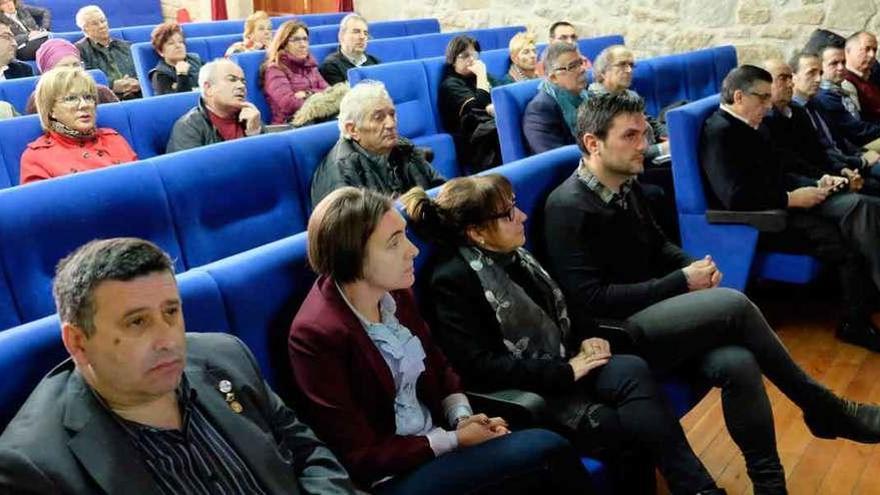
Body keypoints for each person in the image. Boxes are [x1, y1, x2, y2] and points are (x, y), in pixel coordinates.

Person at [545, 91, 880, 494]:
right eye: (630, 136)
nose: (644, 145)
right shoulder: (567, 207)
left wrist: (693, 264)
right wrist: (681, 281)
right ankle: (825, 408)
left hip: (656, 310)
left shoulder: (625, 185)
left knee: (738, 363)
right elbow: (589, 300)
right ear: (592, 143)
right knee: (734, 304)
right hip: (615, 332)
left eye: (644, 133)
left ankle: (770, 485)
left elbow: (658, 245)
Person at [402, 175, 725, 495]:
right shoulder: (451, 280)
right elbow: (479, 366)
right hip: (532, 391)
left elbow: (567, 302)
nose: (522, 216)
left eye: (515, 206)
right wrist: (567, 370)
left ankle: (697, 488)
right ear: (476, 233)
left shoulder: (518, 255)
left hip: (567, 361)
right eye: (508, 214)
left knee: (632, 368)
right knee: (619, 427)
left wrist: (587, 336)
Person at [289, 186, 595, 494]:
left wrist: (462, 419)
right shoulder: (316, 334)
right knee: (548, 449)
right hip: (392, 475)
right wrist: (454, 440)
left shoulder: (395, 291)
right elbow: (359, 455)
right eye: (394, 243)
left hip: (439, 440)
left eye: (405, 235)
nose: (413, 250)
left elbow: (437, 364)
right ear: (353, 257)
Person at [0, 237, 357, 494]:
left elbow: (307, 452)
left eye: (171, 312)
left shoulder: (224, 356)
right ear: (78, 342)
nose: (168, 339)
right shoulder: (33, 465)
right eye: (137, 322)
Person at [701, 64, 880, 351]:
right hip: (760, 222)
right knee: (850, 228)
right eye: (762, 97)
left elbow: (781, 170)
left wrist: (817, 180)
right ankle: (855, 323)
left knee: (863, 210)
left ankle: (860, 312)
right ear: (738, 97)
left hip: (782, 206)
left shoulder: (754, 125)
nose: (768, 103)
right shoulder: (720, 132)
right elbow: (734, 196)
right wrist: (789, 198)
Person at [310, 80, 444, 207]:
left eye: (392, 114)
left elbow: (442, 192)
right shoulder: (342, 173)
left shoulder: (404, 147)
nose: (391, 124)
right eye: (379, 118)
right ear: (353, 129)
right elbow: (357, 229)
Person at [763, 58, 878, 196]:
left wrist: (842, 169)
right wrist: (855, 165)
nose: (818, 79)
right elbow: (790, 165)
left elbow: (819, 151)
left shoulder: (804, 108)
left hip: (833, 170)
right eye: (783, 78)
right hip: (803, 189)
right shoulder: (765, 120)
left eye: (820, 73)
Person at [20, 67, 137, 184]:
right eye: (71, 98)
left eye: (88, 97)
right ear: (51, 111)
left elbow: (142, 183)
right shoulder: (36, 157)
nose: (84, 105)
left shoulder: (113, 138)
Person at [790, 50, 880, 185]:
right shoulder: (793, 112)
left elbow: (839, 140)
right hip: (832, 171)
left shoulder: (816, 103)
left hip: (848, 160)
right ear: (793, 77)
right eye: (811, 73)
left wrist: (862, 153)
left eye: (820, 73)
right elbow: (821, 152)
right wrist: (860, 161)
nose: (818, 79)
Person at [588, 45, 669, 162]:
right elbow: (619, 152)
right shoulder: (596, 103)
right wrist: (661, 149)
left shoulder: (630, 95)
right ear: (603, 72)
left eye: (631, 65)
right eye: (622, 65)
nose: (629, 70)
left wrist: (672, 135)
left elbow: (651, 122)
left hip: (651, 153)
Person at [166, 58, 264, 153]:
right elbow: (193, 168)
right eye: (232, 79)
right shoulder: (188, 127)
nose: (241, 86)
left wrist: (255, 133)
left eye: (243, 81)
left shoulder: (250, 116)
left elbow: (269, 161)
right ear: (208, 88)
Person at [438, 35, 502, 172]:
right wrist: (481, 76)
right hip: (473, 141)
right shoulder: (450, 84)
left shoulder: (481, 76)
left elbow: (503, 95)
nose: (472, 59)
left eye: (474, 54)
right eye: (465, 55)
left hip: (491, 128)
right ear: (453, 60)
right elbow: (478, 107)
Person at [812, 44, 880, 153]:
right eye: (834, 63)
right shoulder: (824, 96)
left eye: (843, 62)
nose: (841, 68)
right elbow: (857, 131)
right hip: (855, 151)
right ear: (820, 67)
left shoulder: (838, 89)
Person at [262, 20, 331, 125]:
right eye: (296, 40)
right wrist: (320, 97)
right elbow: (289, 104)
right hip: (289, 124)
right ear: (284, 43)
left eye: (305, 39)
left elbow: (329, 92)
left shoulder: (311, 66)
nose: (303, 44)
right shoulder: (275, 69)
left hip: (316, 118)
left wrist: (307, 93)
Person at [523, 41, 586, 154]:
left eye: (580, 63)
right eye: (572, 66)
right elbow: (554, 158)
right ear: (553, 78)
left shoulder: (587, 96)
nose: (582, 69)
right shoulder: (540, 109)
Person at [24, 38, 118, 114]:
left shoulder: (101, 92)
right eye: (64, 68)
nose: (72, 71)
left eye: (76, 65)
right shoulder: (40, 98)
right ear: (48, 73)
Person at [74, 5, 141, 100]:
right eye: (95, 24)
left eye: (103, 21)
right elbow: (84, 79)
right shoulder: (79, 51)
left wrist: (137, 82)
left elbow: (142, 71)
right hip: (106, 100)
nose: (102, 26)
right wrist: (111, 85)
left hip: (138, 94)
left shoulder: (127, 46)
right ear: (85, 29)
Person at [318, 13, 380, 85]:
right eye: (356, 32)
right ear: (341, 36)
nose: (362, 37)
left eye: (365, 33)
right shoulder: (330, 66)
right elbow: (344, 95)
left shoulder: (375, 61)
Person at [148, 22, 202, 96]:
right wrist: (182, 74)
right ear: (161, 51)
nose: (178, 46)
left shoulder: (196, 60)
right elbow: (177, 102)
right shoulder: (160, 75)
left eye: (180, 42)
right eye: (171, 43)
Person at [843, 31, 880, 122]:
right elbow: (858, 121)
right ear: (848, 51)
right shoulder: (845, 82)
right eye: (867, 49)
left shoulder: (874, 74)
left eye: (874, 50)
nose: (872, 55)